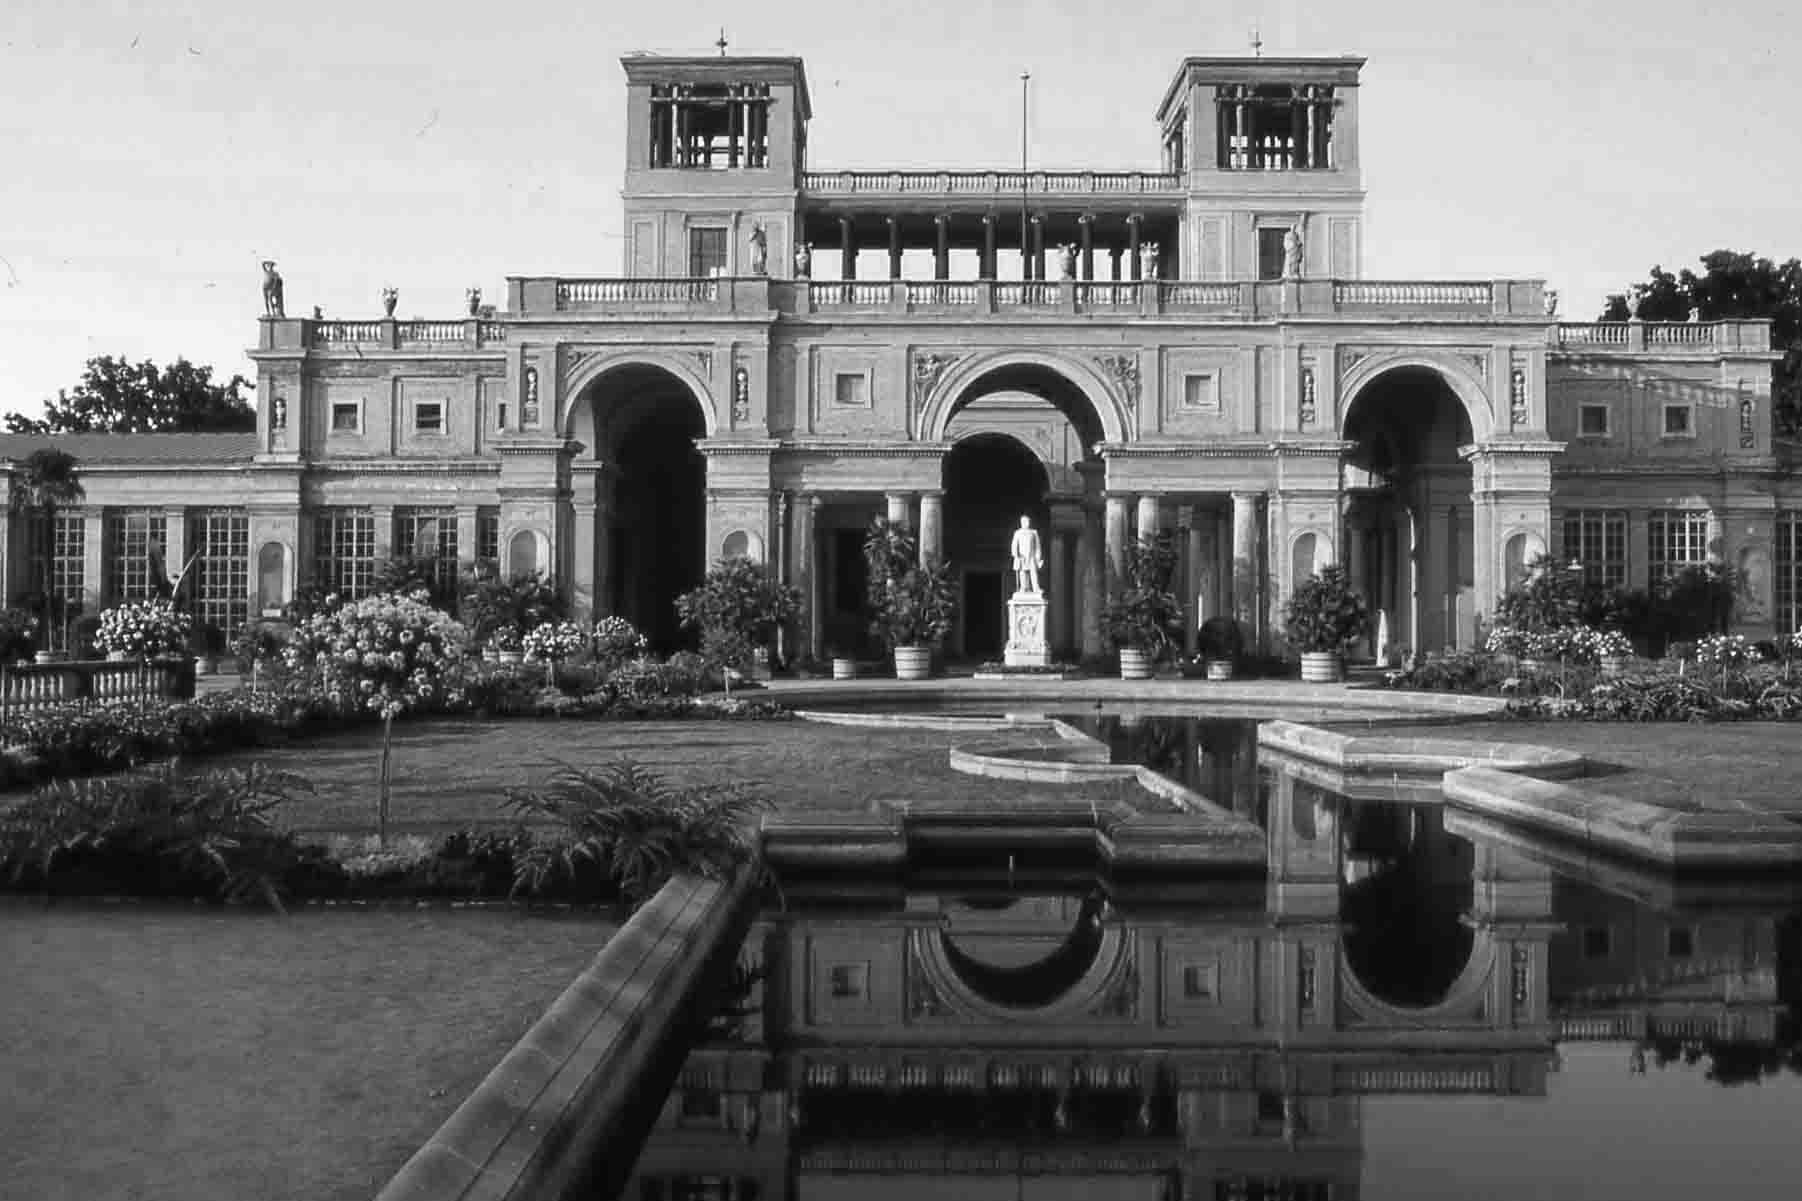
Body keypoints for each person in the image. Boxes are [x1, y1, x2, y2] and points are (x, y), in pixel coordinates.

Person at [1010, 515, 1043, 594]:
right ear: (1021, 523)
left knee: (1033, 572)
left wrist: (1038, 556)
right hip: (1022, 556)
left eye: (1027, 521)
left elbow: (1037, 546)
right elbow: (1014, 545)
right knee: (1023, 572)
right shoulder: (1017, 532)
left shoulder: (1033, 532)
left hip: (1031, 556)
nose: (1025, 523)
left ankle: (1036, 588)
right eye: (1024, 521)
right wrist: (1016, 555)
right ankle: (1023, 587)